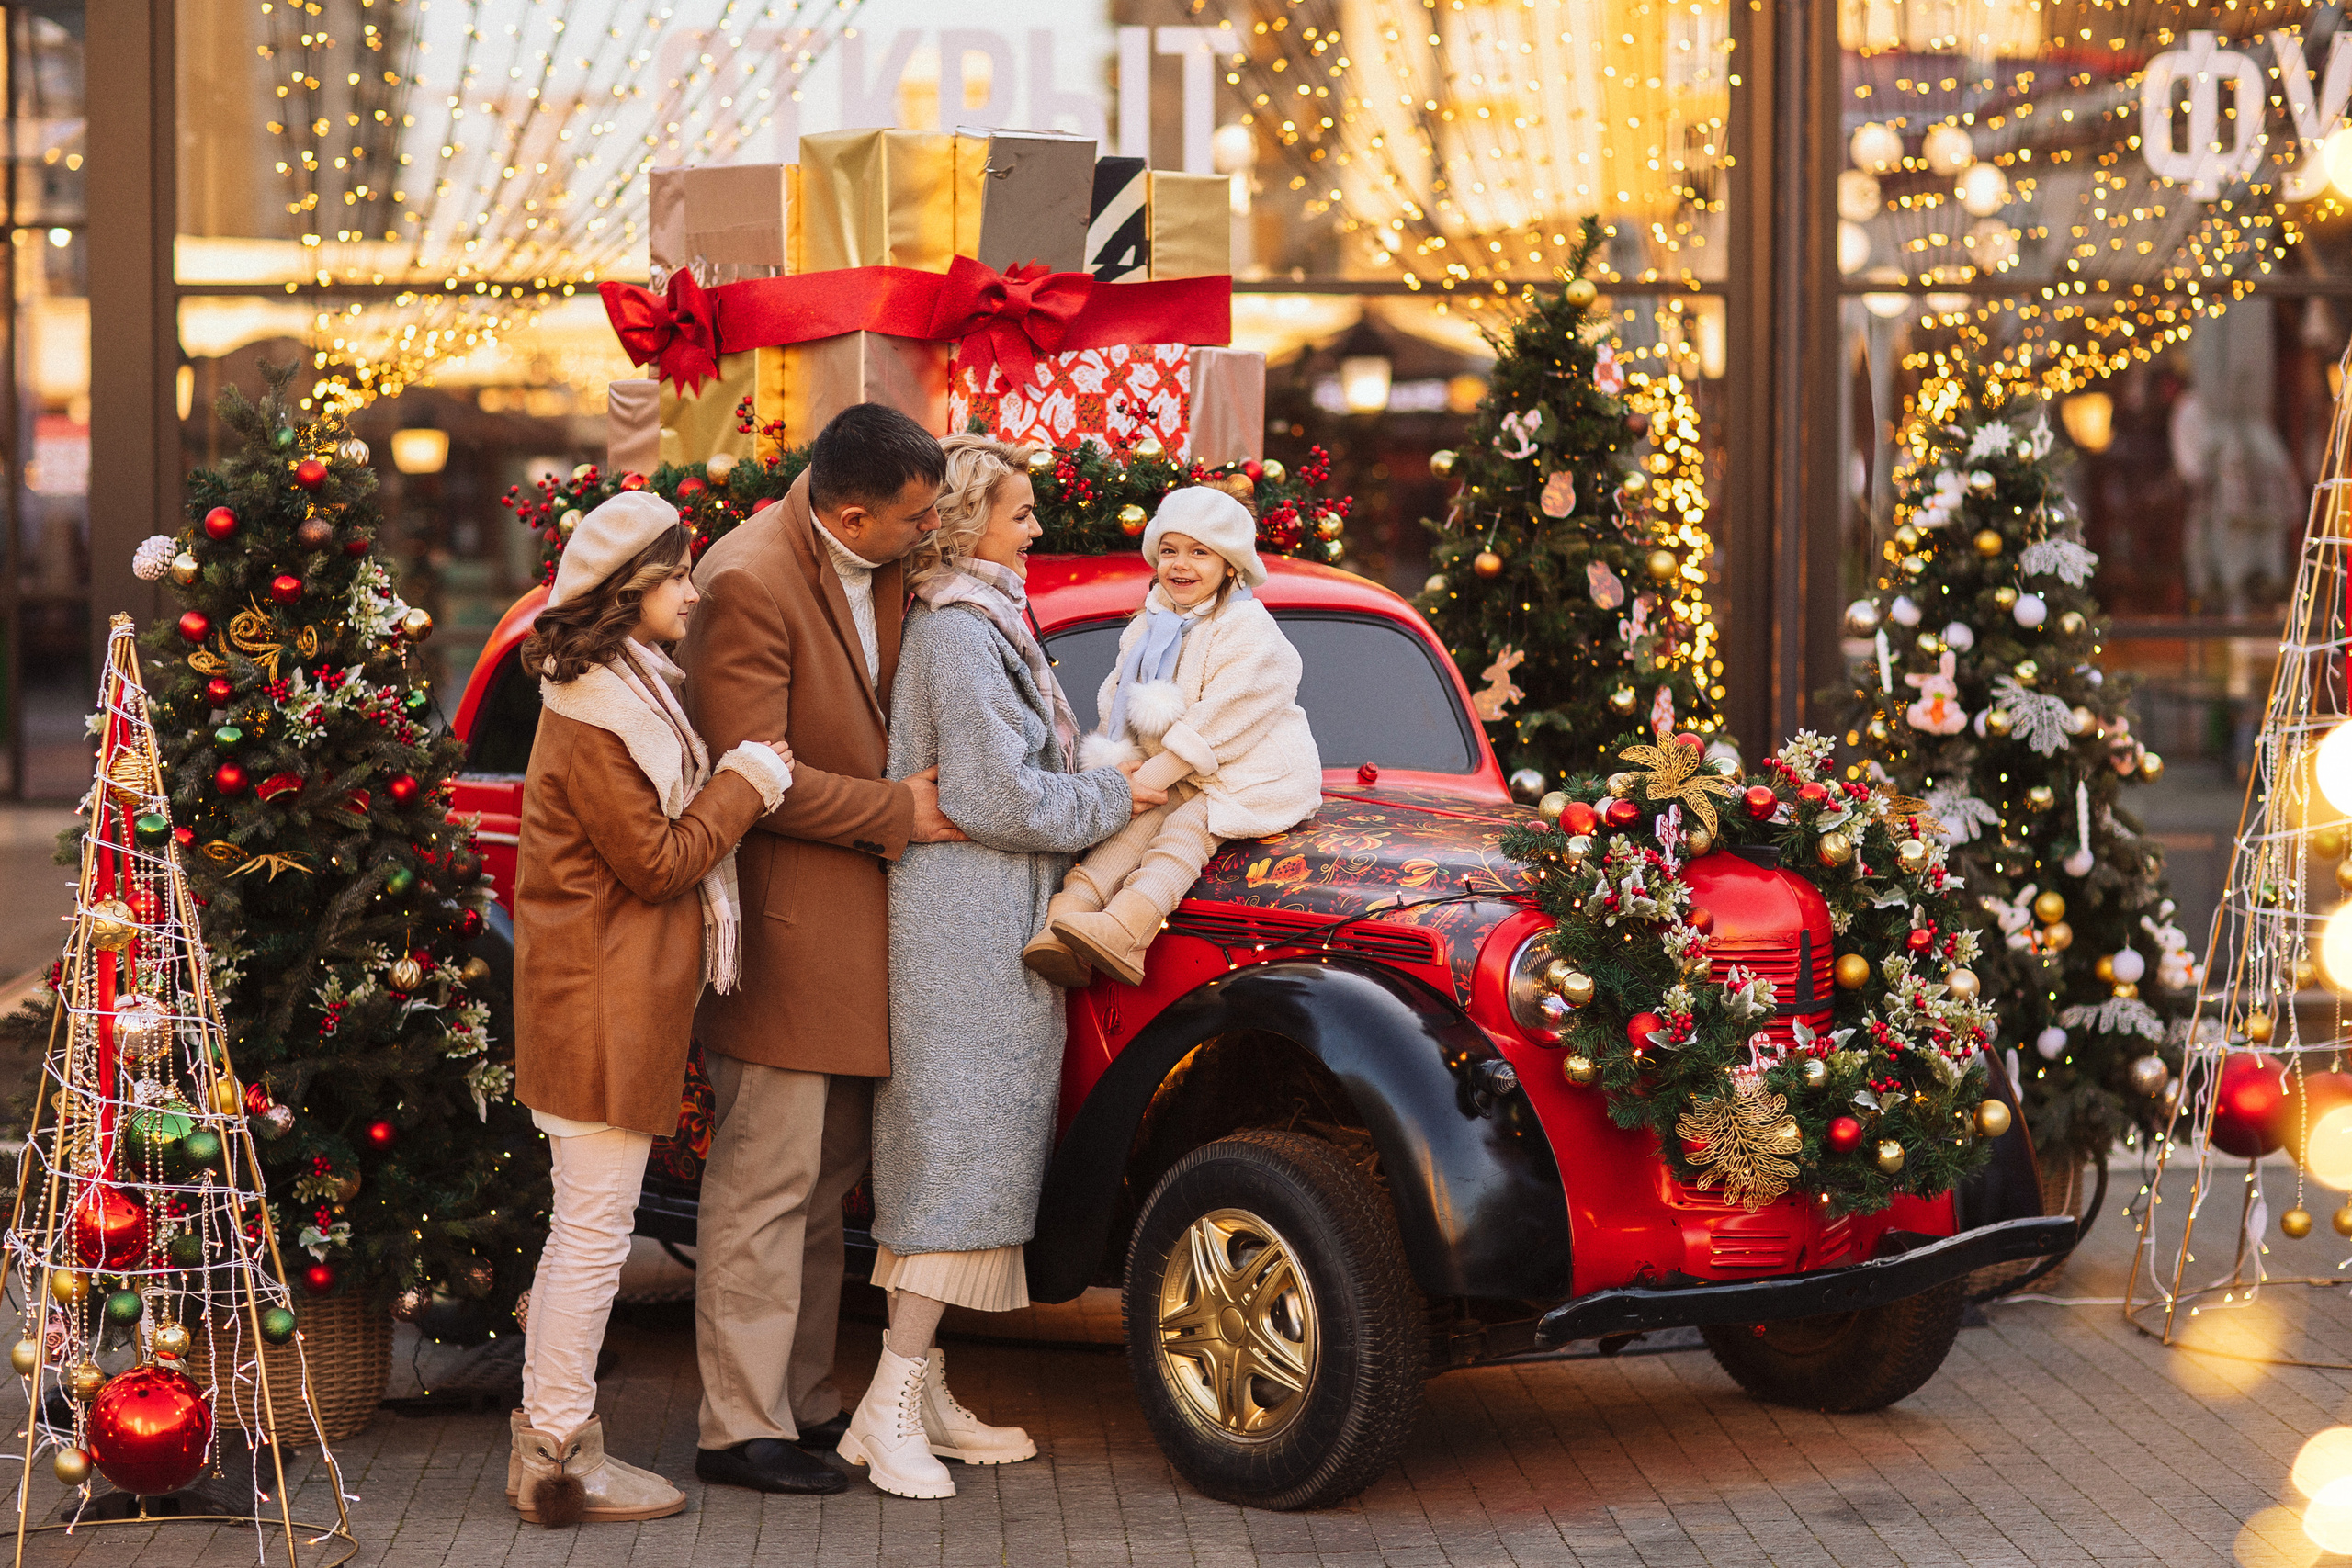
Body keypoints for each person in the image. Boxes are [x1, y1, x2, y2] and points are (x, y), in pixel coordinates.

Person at [845, 435, 1159, 1498]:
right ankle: (882, 1409)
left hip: (983, 918)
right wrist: (1126, 798)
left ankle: (920, 1387)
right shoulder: (961, 634)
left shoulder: (979, 624)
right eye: (1020, 514)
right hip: (966, 929)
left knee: (965, 1154)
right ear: (972, 519)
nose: (1035, 530)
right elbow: (998, 797)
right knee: (956, 1159)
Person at [678, 403, 964, 1496]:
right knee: (763, 1184)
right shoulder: (747, 576)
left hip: (867, 942)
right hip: (792, 933)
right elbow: (752, 769)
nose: (928, 531)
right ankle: (734, 1426)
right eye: (914, 517)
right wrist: (901, 811)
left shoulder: (883, 550)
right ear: (850, 513)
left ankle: (796, 1403)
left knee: (822, 1182)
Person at [509, 491, 796, 1526]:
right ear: (629, 594)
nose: (694, 590)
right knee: (591, 1237)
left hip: (602, 995)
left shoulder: (628, 684)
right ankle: (556, 1453)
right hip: (596, 1005)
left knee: (581, 1232)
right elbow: (660, 862)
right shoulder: (596, 715)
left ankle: (552, 1441)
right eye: (677, 577)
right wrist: (745, 784)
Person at [1023, 486, 1323, 987]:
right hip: (1182, 766)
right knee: (1131, 827)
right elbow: (1120, 692)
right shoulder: (1151, 623)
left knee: (1184, 829)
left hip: (1250, 770)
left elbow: (1223, 716)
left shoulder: (1250, 629)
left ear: (1231, 564)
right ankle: (1066, 917)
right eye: (1169, 550)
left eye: (1199, 552)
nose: (1180, 565)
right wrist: (1132, 768)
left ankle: (1127, 928)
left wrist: (1148, 778)